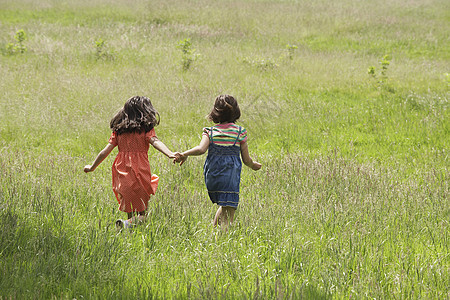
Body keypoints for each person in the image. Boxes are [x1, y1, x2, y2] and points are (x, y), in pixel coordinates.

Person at [84, 96, 174, 228]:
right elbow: (156, 142)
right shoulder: (146, 129)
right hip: (140, 172)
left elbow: (105, 151)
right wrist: (170, 154)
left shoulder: (119, 131)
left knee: (130, 210)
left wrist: (92, 167)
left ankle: (127, 227)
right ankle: (126, 225)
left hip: (122, 173)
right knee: (143, 213)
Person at [174, 94, 261, 230]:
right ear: (236, 112)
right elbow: (246, 159)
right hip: (229, 178)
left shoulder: (210, 131)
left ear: (215, 112)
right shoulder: (240, 132)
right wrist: (253, 165)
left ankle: (214, 235)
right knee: (229, 211)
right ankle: (222, 242)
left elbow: (201, 149)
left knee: (224, 205)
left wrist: (185, 154)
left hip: (212, 178)